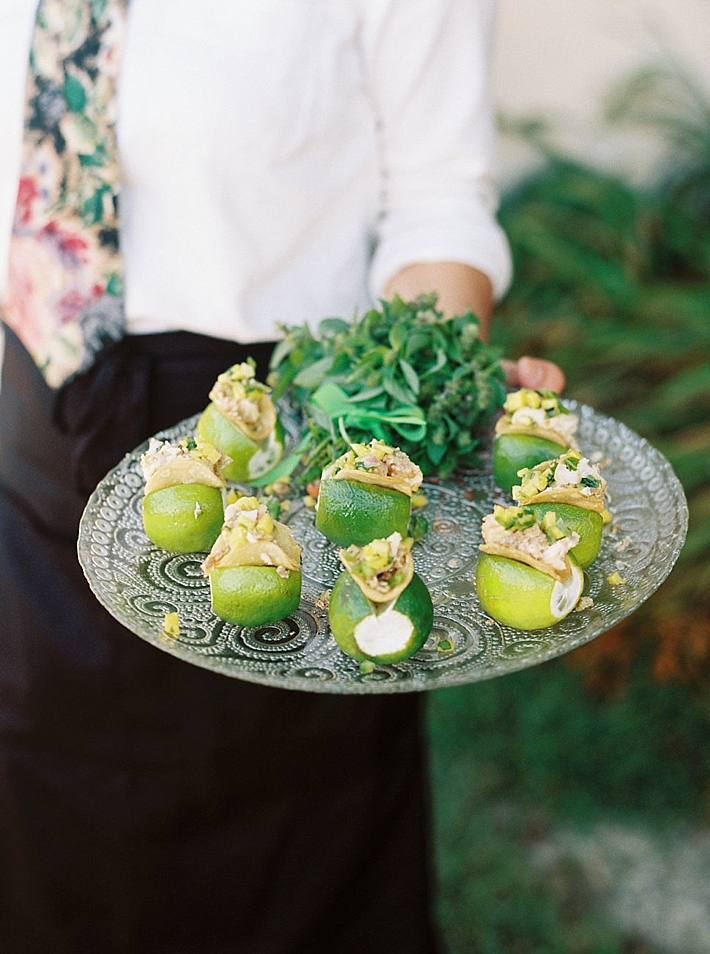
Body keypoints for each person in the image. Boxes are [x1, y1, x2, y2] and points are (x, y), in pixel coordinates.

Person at [0, 2, 564, 953]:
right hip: (38, 427)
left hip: (285, 463)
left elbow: (438, 197)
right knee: (52, 831)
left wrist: (424, 371)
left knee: (294, 850)